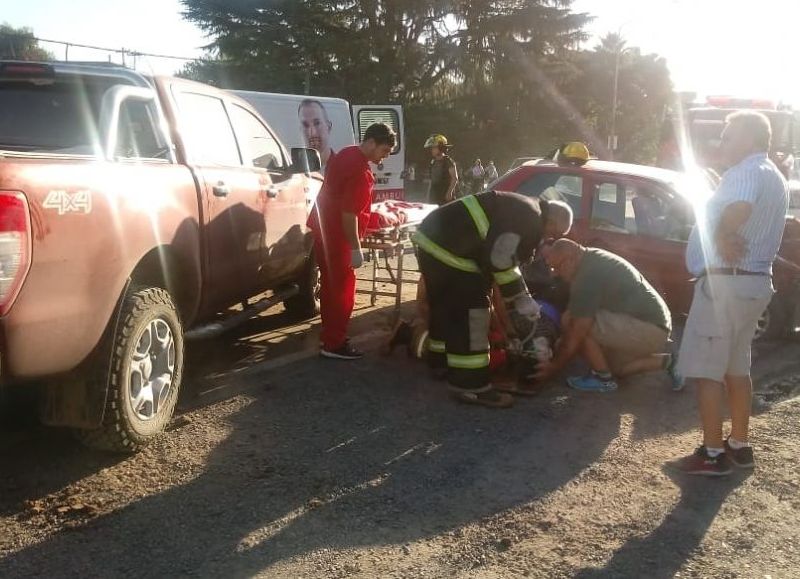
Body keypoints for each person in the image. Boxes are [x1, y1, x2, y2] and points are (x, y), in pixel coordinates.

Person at [672, 111, 788, 476]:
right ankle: (739, 445)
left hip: (727, 285)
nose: (720, 142)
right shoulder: (773, 174)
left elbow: (739, 207)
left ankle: (711, 454)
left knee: (708, 373)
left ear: (751, 139)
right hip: (753, 283)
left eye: (727, 135)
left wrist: (721, 233)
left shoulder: (746, 172)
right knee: (737, 369)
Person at [413, 191, 573, 408]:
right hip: (451, 251)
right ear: (551, 221)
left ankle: (440, 362)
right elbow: (500, 259)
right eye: (554, 232)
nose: (548, 238)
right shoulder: (529, 218)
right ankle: (471, 386)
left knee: (445, 308)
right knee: (473, 313)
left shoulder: (524, 206)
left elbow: (493, 257)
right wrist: (520, 297)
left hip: (432, 242)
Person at [535, 239, 676, 392]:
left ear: (570, 258)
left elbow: (578, 329)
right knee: (616, 367)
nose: (555, 273)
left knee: (571, 321)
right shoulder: (591, 258)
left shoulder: (587, 275)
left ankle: (602, 378)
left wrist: (554, 366)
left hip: (649, 328)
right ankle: (671, 362)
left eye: (557, 267)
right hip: (655, 328)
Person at [308, 123, 397, 360]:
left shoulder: (346, 153)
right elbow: (349, 215)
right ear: (371, 143)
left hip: (323, 230)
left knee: (329, 288)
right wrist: (356, 248)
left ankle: (329, 336)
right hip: (339, 237)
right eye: (384, 151)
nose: (384, 157)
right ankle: (334, 344)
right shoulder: (359, 172)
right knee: (342, 292)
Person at [299, 99, 335, 170]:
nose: (312, 132)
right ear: (300, 131)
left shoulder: (342, 167)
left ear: (328, 127)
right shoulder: (296, 172)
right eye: (305, 125)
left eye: (317, 123)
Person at [425, 134, 458, 205]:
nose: (432, 150)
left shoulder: (448, 161)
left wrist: (449, 192)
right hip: (435, 194)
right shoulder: (433, 162)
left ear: (441, 148)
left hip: (445, 194)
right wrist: (428, 195)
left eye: (434, 148)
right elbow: (432, 180)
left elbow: (454, 178)